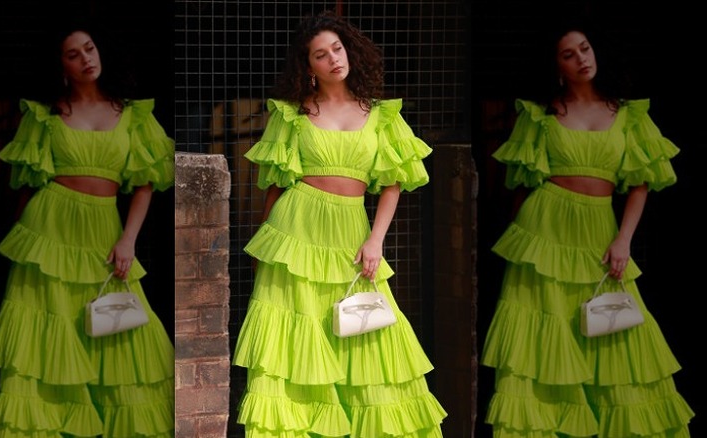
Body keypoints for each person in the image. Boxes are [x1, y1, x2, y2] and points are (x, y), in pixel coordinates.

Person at [231, 10, 447, 437]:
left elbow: (393, 183)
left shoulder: (381, 114)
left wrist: (376, 240)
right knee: (295, 340)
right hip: (294, 231)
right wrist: (264, 244)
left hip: (353, 233)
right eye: (320, 54)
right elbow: (273, 186)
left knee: (366, 337)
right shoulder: (291, 114)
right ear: (307, 67)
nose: (333, 59)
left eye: (337, 48)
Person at [480, 18, 695, 437]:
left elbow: (640, 183)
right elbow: (521, 188)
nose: (581, 59)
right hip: (544, 231)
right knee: (545, 333)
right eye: (568, 54)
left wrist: (624, 241)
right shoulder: (540, 115)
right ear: (556, 66)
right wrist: (521, 248)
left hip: (601, 231)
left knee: (615, 332)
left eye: (585, 49)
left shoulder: (629, 114)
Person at [0, 20, 175, 437]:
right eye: (74, 54)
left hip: (105, 230)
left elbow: (146, 183)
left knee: (118, 332)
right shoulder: (45, 116)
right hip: (49, 228)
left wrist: (129, 240)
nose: (86, 59)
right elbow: (25, 185)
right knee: (50, 332)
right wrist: (23, 249)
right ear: (62, 66)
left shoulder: (132, 114)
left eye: (89, 48)